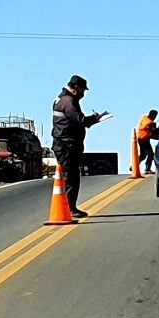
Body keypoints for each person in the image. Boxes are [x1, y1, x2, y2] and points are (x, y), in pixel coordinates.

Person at [51, 75, 101, 218]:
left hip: (65, 143)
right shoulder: (68, 101)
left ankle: (68, 207)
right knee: (71, 177)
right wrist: (94, 118)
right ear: (76, 88)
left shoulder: (61, 99)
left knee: (70, 176)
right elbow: (80, 120)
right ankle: (70, 208)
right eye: (82, 90)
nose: (83, 94)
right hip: (67, 145)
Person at [137, 109, 159, 174]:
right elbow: (155, 131)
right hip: (144, 139)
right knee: (151, 154)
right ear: (153, 115)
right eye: (155, 116)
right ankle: (147, 169)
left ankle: (134, 166)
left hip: (140, 138)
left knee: (143, 155)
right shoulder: (149, 123)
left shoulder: (144, 118)